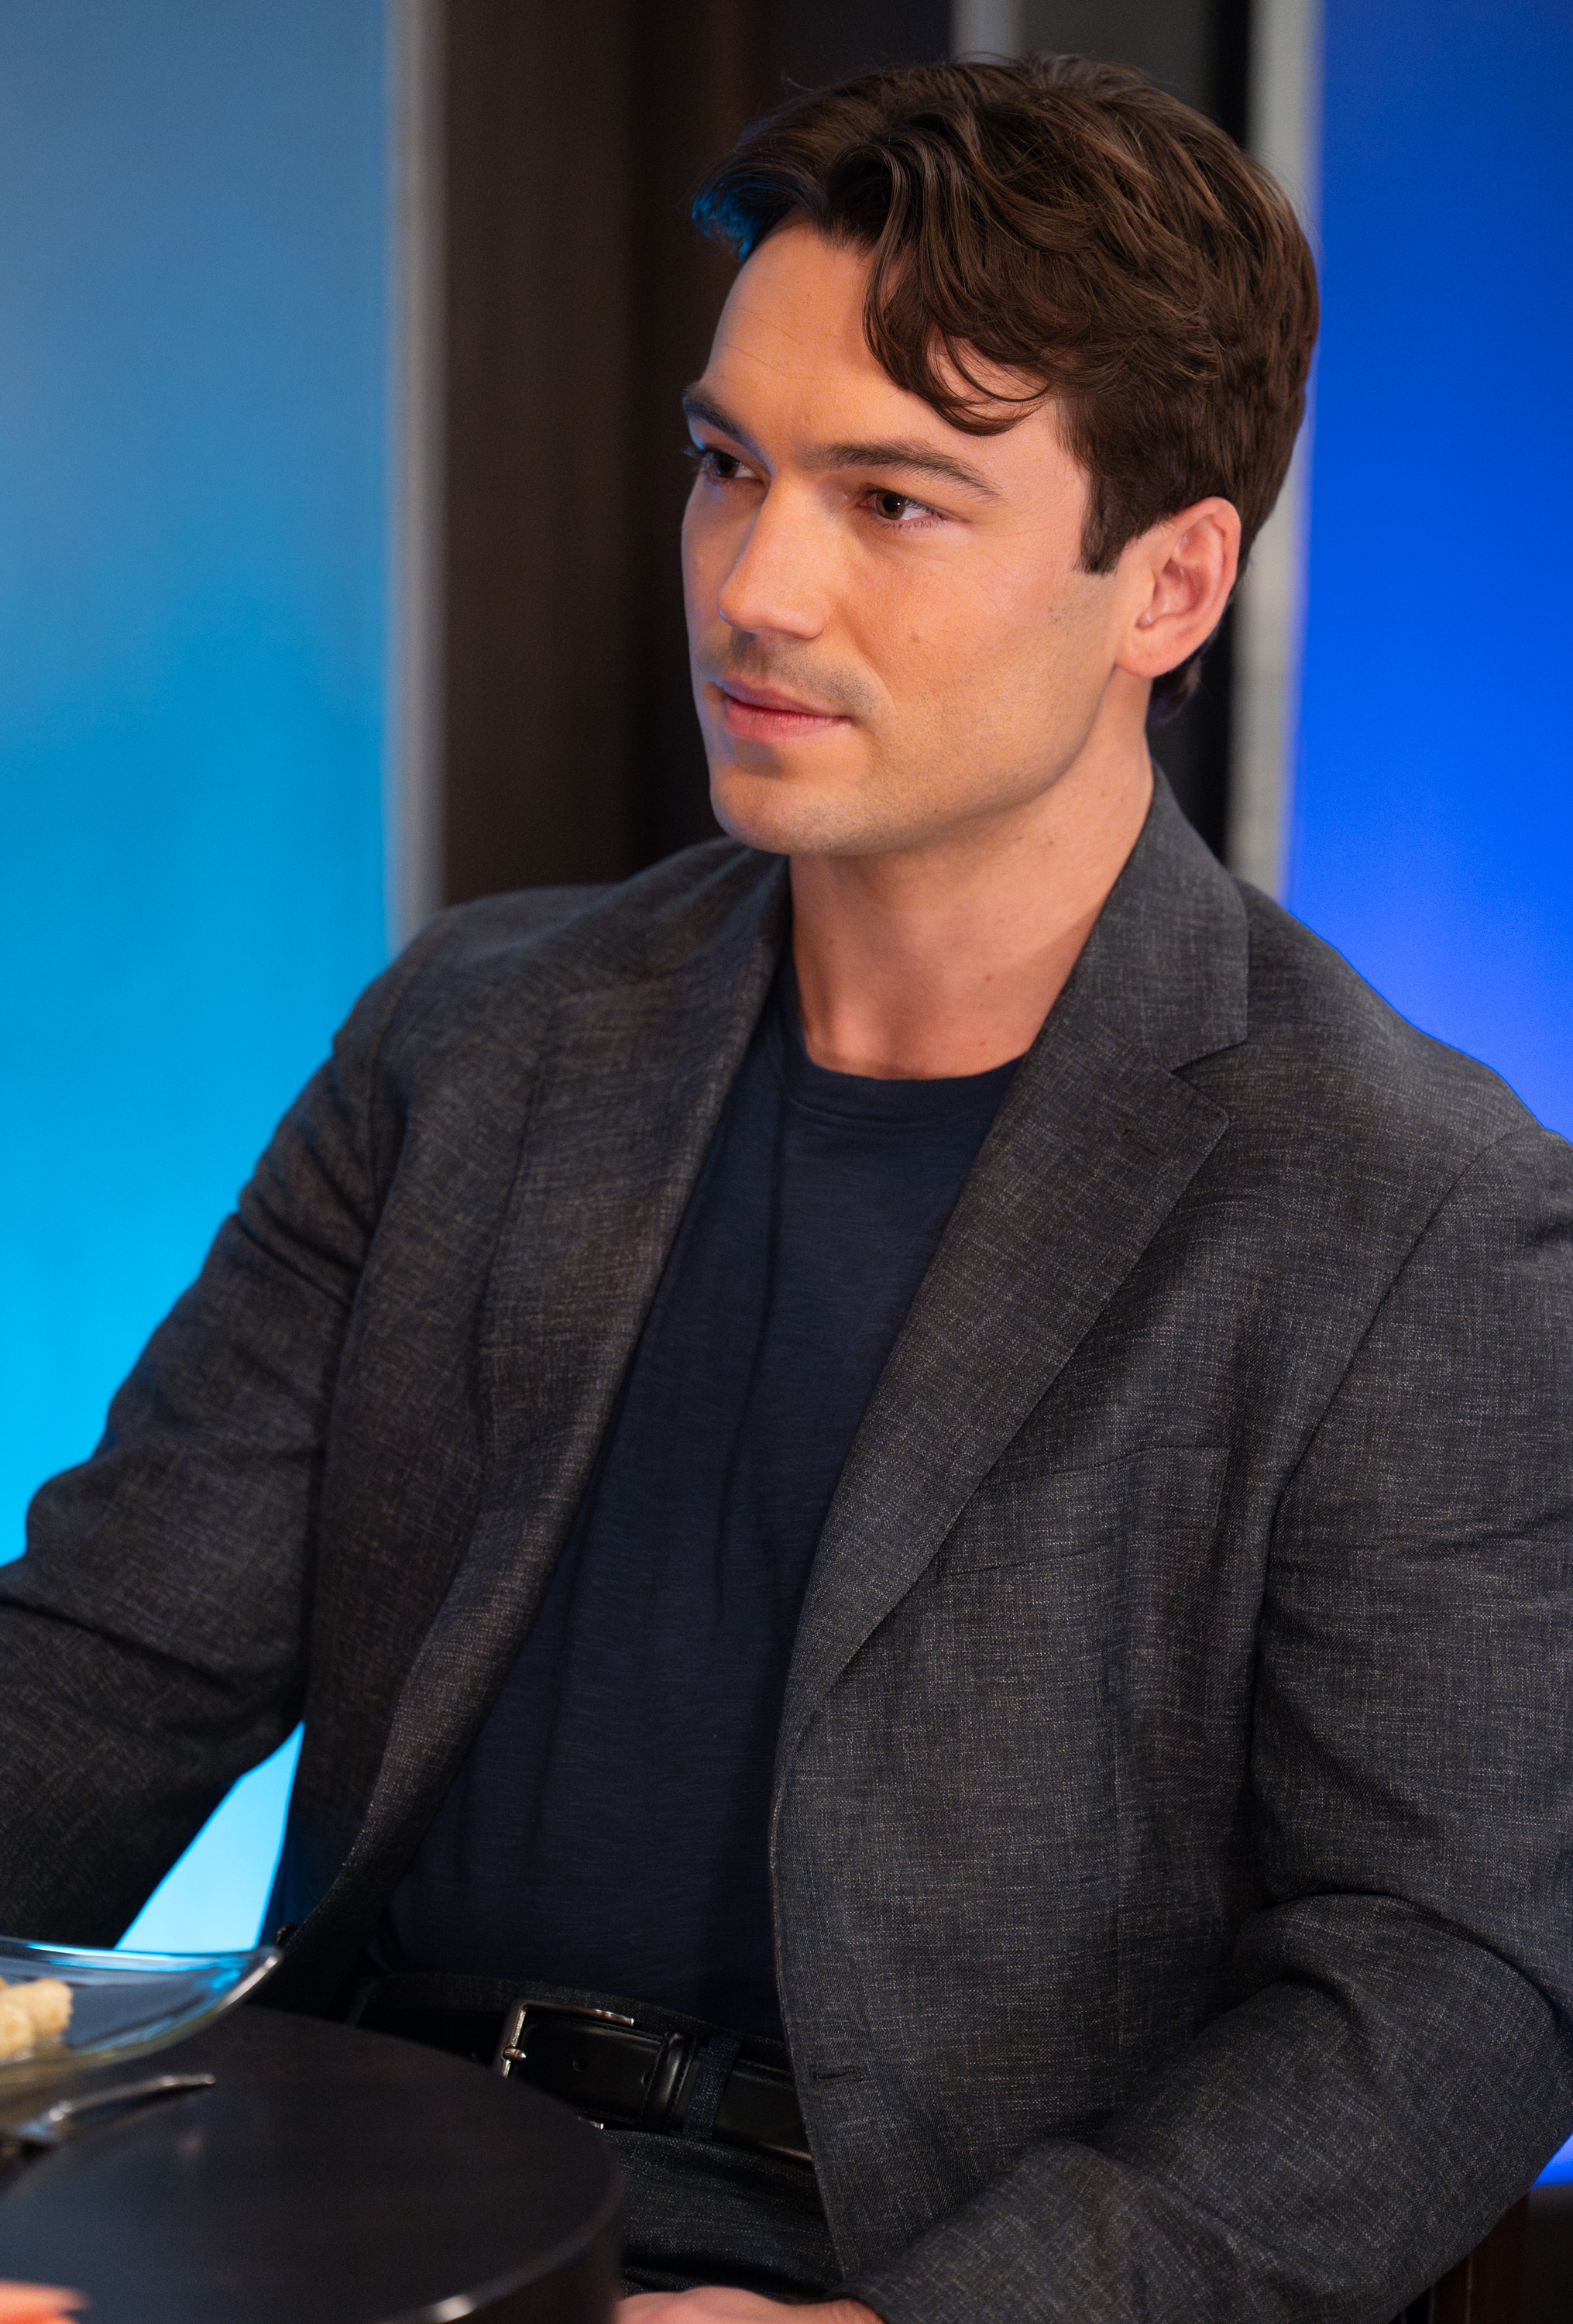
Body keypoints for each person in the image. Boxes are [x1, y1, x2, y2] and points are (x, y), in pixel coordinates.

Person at [2, 53, 1570, 2323]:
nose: (756, 585)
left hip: (911, 2262)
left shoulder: (1408, 1210)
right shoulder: (476, 1039)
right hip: (351, 2205)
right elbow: (103, 1669)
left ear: (1168, 582)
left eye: (894, 500)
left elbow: (1445, 1987)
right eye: (728, 465)